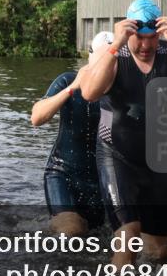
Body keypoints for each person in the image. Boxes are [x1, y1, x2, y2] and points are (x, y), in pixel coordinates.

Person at [82, 0, 167, 265]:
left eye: (152, 38)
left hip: (159, 161)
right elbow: (89, 92)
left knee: (158, 251)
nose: (146, 46)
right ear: (128, 32)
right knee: (128, 238)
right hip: (116, 156)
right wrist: (116, 45)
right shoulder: (111, 54)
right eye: (138, 39)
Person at [30, 32, 113, 236]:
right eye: (100, 59)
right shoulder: (68, 80)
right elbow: (37, 118)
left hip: (104, 179)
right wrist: (72, 88)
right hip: (62, 173)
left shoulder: (122, 89)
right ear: (90, 58)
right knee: (71, 230)